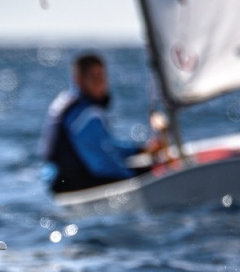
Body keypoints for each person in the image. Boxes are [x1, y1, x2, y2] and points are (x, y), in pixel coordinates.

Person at [40, 53, 156, 194]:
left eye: (102, 76)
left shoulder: (67, 101)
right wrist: (134, 179)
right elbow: (102, 164)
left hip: (59, 182)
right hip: (73, 184)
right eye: (94, 77)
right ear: (79, 80)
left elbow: (106, 147)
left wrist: (138, 150)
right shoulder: (85, 114)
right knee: (152, 171)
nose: (100, 83)